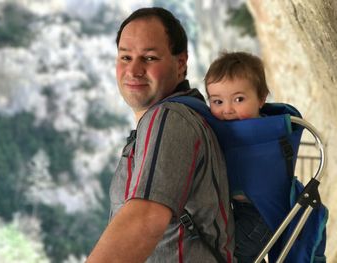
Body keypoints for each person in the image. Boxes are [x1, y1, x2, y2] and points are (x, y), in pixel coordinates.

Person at [86, 7, 235, 263]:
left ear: (180, 64)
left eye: (150, 58)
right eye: (125, 57)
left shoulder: (170, 118)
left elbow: (145, 219)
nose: (133, 70)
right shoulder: (168, 120)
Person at [205, 51, 272, 263]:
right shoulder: (235, 130)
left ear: (261, 98)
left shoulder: (259, 133)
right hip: (241, 211)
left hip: (260, 214)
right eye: (217, 102)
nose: (227, 110)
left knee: (231, 256)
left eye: (238, 99)